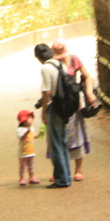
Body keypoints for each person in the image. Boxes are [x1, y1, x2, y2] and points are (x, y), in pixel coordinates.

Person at [49, 38, 99, 181]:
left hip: (73, 103)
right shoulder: (51, 63)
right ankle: (59, 168)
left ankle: (78, 169)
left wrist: (89, 93)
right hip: (58, 103)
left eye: (60, 49)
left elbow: (87, 76)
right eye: (56, 49)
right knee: (57, 137)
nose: (58, 52)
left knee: (76, 135)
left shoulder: (74, 59)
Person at [34, 42, 71, 188]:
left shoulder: (46, 68)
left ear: (38, 57)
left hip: (54, 107)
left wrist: (43, 112)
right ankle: (66, 176)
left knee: (55, 145)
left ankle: (61, 180)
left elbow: (47, 92)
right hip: (65, 106)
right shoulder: (60, 64)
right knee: (62, 143)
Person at [16, 109, 40, 186]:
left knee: (31, 166)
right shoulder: (20, 129)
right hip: (23, 152)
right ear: (24, 121)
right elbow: (22, 138)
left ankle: (32, 177)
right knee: (22, 166)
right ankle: (21, 178)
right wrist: (26, 132)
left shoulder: (32, 128)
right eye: (29, 118)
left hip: (31, 151)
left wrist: (40, 134)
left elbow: (34, 136)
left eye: (31, 118)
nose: (31, 120)